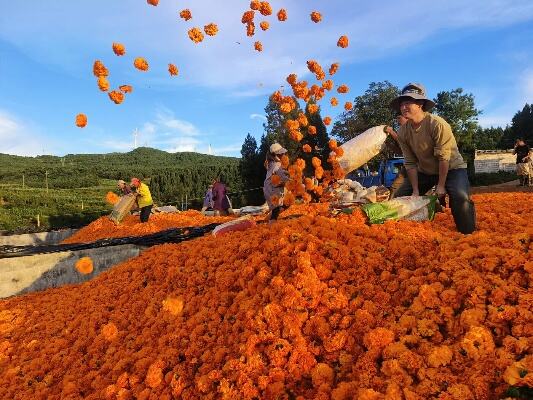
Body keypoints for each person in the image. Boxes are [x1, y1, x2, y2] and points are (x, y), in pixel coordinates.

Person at [389, 82, 476, 234]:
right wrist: (415, 191)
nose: (403, 107)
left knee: (460, 198)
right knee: (401, 196)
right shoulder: (403, 132)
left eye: (408, 103)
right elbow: (410, 162)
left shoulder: (437, 124)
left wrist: (441, 186)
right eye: (401, 104)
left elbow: (444, 157)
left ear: (420, 104)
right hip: (425, 171)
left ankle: (468, 232)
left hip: (452, 168)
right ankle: (408, 229)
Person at [263, 143, 290, 221]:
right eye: (282, 153)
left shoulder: (271, 164)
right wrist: (291, 179)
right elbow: (283, 177)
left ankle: (269, 219)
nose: (283, 154)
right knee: (279, 207)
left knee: (277, 208)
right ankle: (272, 224)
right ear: (276, 154)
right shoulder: (277, 165)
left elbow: (279, 175)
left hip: (269, 189)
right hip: (273, 191)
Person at [385, 114, 409, 197]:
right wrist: (388, 145)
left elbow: (404, 143)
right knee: (395, 187)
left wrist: (391, 132)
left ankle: (439, 208)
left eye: (399, 118)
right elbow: (401, 151)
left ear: (406, 117)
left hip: (418, 165)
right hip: (408, 165)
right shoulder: (401, 131)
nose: (397, 121)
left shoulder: (412, 129)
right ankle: (391, 207)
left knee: (425, 189)